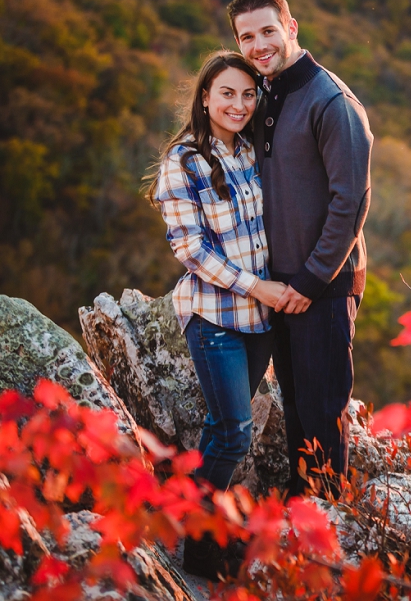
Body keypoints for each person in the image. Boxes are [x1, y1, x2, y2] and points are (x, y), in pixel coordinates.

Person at [227, 0, 373, 497]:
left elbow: (350, 202)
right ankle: (297, 516)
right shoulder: (263, 96)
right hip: (279, 287)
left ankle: (328, 526)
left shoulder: (331, 101)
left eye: (269, 30)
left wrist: (312, 280)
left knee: (321, 412)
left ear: (292, 27)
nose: (259, 44)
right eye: (247, 37)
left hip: (323, 287)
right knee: (295, 408)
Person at [146, 51, 287, 578]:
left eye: (249, 94)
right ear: (205, 96)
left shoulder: (252, 151)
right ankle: (199, 547)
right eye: (227, 93)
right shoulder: (182, 162)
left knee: (220, 427)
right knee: (233, 432)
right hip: (215, 317)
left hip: (261, 322)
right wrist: (260, 287)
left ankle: (189, 514)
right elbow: (192, 250)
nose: (239, 104)